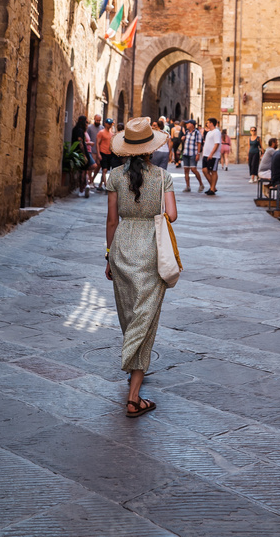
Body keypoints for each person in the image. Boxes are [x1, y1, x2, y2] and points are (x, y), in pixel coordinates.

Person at [105, 116, 177, 417]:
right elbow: (171, 215)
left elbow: (111, 220)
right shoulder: (163, 177)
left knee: (129, 314)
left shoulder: (115, 177)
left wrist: (108, 255)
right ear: (150, 148)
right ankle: (134, 398)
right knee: (145, 319)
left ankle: (132, 364)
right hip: (151, 249)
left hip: (122, 246)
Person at [71, 115, 93, 197]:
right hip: (80, 153)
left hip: (78, 152)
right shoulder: (80, 130)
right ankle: (81, 189)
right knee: (83, 171)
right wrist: (84, 154)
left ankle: (84, 187)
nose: (87, 124)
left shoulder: (75, 129)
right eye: (86, 122)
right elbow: (80, 143)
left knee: (83, 171)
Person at [182, 120, 204, 192]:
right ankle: (187, 186)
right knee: (186, 170)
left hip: (193, 154)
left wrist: (198, 154)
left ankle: (201, 184)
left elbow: (199, 144)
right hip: (186, 153)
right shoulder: (187, 132)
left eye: (187, 123)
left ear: (192, 125)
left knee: (193, 169)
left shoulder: (197, 133)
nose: (186, 125)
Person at [202, 118, 222, 196]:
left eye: (208, 123)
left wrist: (211, 154)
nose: (207, 124)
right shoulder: (209, 132)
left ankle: (212, 188)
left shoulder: (216, 132)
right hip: (206, 154)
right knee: (204, 170)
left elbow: (217, 144)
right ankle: (213, 186)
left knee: (213, 171)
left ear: (211, 123)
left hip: (213, 155)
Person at [96, 118, 115, 190]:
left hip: (109, 154)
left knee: (106, 170)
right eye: (108, 123)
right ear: (105, 123)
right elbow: (98, 143)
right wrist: (98, 154)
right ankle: (106, 185)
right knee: (104, 170)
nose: (109, 125)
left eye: (110, 124)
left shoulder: (111, 134)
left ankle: (100, 185)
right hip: (103, 153)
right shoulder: (101, 133)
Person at [88, 114, 103, 185]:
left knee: (99, 166)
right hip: (92, 150)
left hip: (99, 151)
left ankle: (92, 179)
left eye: (99, 120)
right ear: (94, 119)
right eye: (97, 120)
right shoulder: (89, 127)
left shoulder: (102, 128)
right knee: (92, 166)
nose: (98, 121)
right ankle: (90, 181)